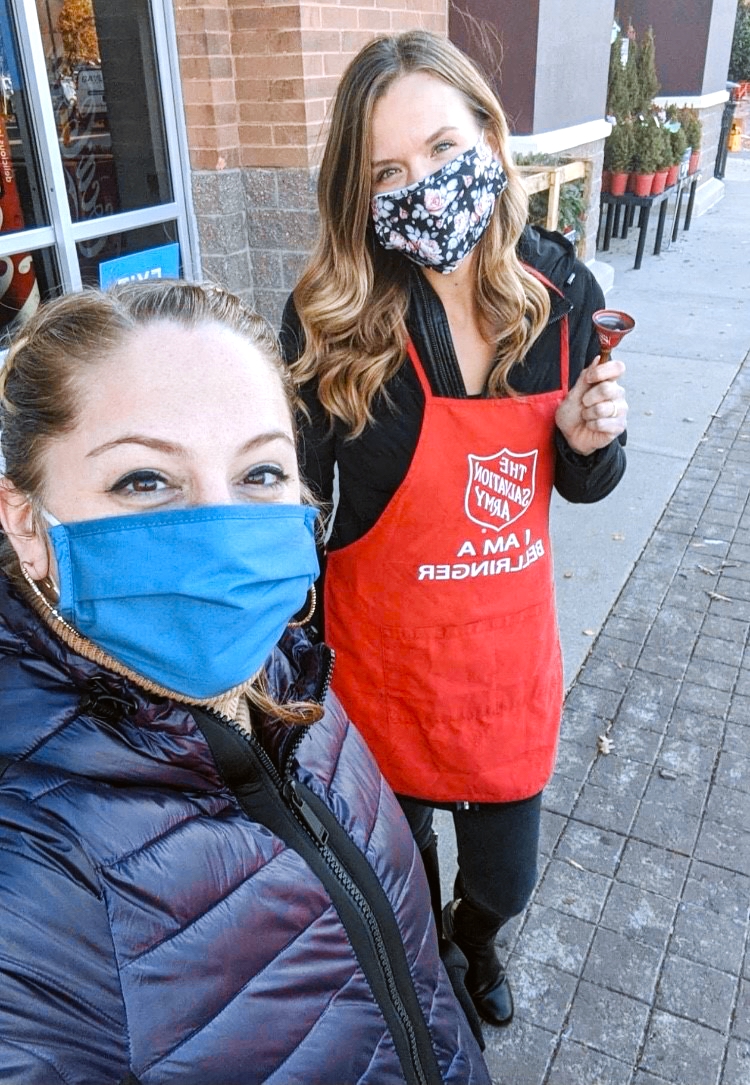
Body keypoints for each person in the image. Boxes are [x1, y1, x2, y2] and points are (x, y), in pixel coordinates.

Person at [0, 281, 491, 1085]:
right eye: (145, 481)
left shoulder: (288, 676)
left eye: (260, 471)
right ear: (28, 523)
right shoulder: (31, 874)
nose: (222, 532)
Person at [280, 30, 628, 1029]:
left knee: (506, 881)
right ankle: (427, 958)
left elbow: (589, 481)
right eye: (387, 171)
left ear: (487, 133)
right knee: (396, 877)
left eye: (439, 150)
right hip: (381, 679)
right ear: (357, 192)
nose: (420, 187)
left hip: (505, 668)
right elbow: (292, 515)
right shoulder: (331, 322)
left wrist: (591, 438)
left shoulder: (562, 297)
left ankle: (475, 940)